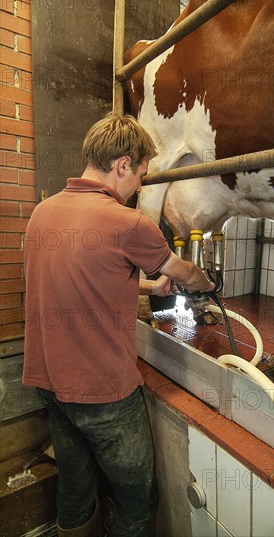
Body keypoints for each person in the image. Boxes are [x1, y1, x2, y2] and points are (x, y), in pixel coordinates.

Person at [23, 112, 215, 537]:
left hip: (50, 382)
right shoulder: (129, 223)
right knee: (136, 499)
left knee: (75, 487)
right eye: (141, 174)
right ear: (123, 164)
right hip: (104, 393)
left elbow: (82, 280)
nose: (141, 187)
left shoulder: (44, 213)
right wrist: (203, 279)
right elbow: (182, 272)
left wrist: (145, 286)